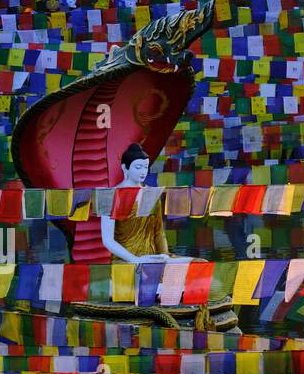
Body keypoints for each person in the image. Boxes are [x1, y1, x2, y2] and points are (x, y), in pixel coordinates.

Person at [97, 142, 239, 332]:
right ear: (124, 168)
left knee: (201, 264)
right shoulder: (109, 196)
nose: (142, 172)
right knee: (154, 281)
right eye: (138, 167)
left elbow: (158, 233)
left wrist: (165, 257)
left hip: (155, 257)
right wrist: (136, 259)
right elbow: (107, 240)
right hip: (129, 263)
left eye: (146, 168)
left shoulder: (151, 194)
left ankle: (175, 286)